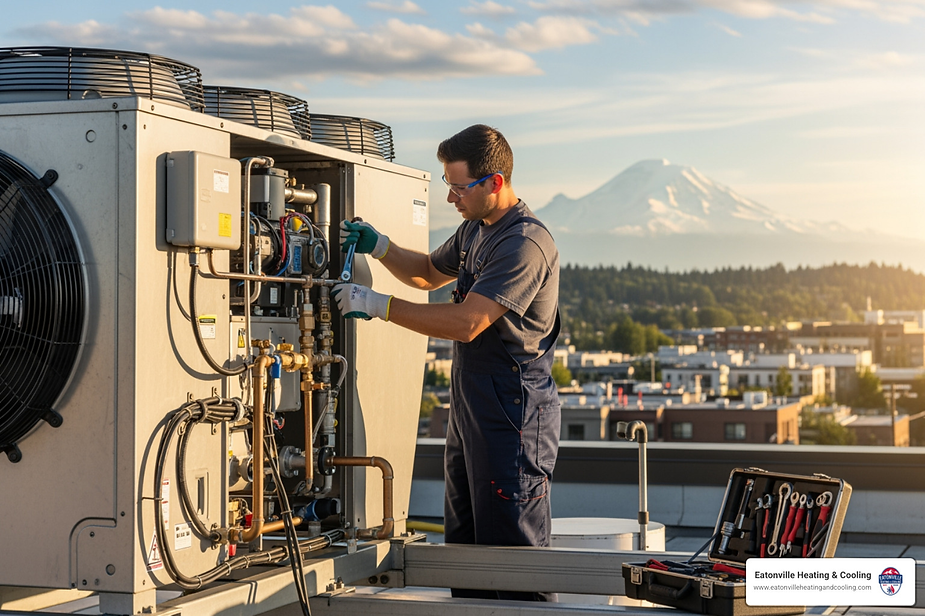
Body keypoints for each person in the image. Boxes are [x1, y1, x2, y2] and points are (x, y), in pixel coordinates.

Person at [332, 124, 560, 601]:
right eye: (447, 183)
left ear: (494, 183)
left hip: (513, 417)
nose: (451, 196)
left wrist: (378, 306)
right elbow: (429, 274)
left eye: (459, 186)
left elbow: (467, 322)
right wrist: (381, 246)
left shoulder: (523, 243)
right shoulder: (476, 229)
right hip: (473, 410)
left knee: (511, 564)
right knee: (466, 554)